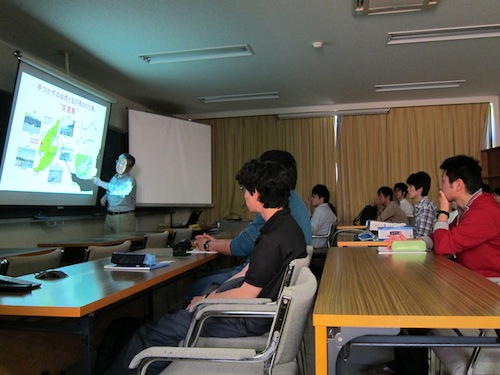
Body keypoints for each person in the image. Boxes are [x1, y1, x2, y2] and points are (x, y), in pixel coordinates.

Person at [104, 158, 308, 374]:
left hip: (244, 317)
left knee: (148, 334)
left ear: (257, 192)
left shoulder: (271, 239)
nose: (244, 195)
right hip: (255, 313)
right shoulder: (287, 227)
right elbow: (248, 272)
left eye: (245, 190)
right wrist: (216, 293)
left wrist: (208, 300)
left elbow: (247, 294)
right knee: (182, 309)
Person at [185, 150, 311, 302]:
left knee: (196, 287)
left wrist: (206, 298)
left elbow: (242, 248)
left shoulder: (272, 234)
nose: (245, 194)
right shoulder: (286, 215)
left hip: (259, 294)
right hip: (270, 283)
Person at [423, 155, 500, 277]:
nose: (440, 187)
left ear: (458, 184)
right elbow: (446, 236)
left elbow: (443, 246)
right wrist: (415, 241)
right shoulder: (471, 207)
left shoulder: (483, 211)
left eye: (443, 181)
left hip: (489, 284)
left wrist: (443, 211)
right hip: (470, 277)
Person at [92, 153, 137, 234]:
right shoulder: (114, 177)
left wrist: (100, 183)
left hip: (123, 217)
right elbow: (111, 191)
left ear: (129, 168)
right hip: (109, 216)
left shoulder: (130, 181)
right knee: (107, 243)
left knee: (122, 244)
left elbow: (118, 190)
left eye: (123, 164)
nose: (119, 165)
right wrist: (105, 196)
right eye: (118, 162)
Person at [405, 172, 437, 237]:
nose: (408, 189)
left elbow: (422, 238)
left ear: (420, 188)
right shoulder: (421, 205)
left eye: (410, 186)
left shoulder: (426, 207)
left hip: (424, 246)